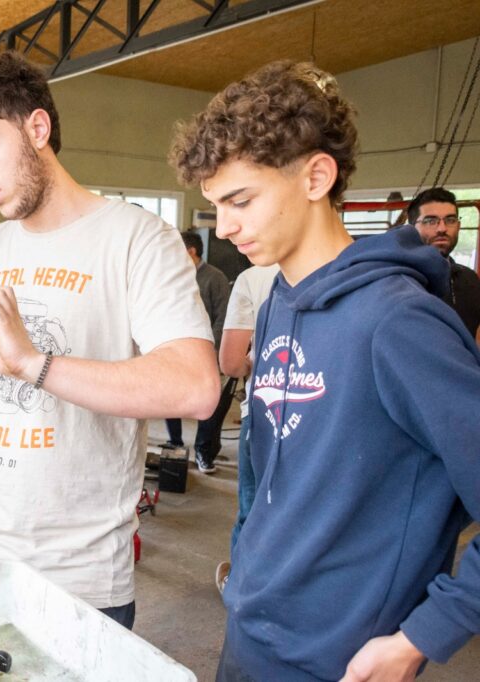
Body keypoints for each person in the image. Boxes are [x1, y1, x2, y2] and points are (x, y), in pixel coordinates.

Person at [170, 59, 480, 681]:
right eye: (216, 205)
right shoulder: (276, 303)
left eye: (240, 200)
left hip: (339, 657)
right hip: (250, 624)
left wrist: (422, 636)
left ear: (316, 176)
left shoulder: (398, 322)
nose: (224, 227)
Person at [0, 51, 219, 629]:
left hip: (72, 576)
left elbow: (195, 387)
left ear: (37, 128)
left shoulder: (138, 239)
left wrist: (33, 363)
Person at [214, 263, 278, 592]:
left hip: (264, 407)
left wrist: (250, 362)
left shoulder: (254, 278)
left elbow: (230, 363)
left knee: (252, 507)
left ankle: (240, 586)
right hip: (323, 414)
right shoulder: (348, 267)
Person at [163, 230, 232, 473]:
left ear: (191, 251)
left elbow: (223, 318)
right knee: (169, 398)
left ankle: (204, 452)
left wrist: (211, 352)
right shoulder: (174, 276)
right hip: (174, 350)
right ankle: (175, 442)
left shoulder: (215, 278)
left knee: (207, 405)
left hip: (205, 354)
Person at [407, 187, 480, 342]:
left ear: (458, 226)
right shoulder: (400, 280)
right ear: (412, 229)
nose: (442, 228)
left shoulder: (469, 279)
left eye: (450, 220)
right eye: (430, 221)